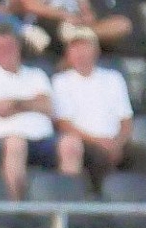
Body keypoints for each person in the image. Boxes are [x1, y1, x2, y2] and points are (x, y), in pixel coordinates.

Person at [0, 28, 80, 200]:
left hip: (42, 140)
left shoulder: (37, 74)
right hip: (0, 142)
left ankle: (69, 207)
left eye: (9, 46)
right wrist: (32, 102)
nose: (4, 51)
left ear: (18, 46)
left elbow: (48, 107)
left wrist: (15, 103)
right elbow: (2, 109)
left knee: (71, 144)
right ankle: (16, 207)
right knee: (16, 143)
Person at [52, 28, 134, 182]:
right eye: (75, 48)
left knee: (144, 157)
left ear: (96, 51)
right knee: (99, 156)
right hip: (86, 142)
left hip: (115, 141)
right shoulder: (60, 81)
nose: (80, 53)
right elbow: (63, 124)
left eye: (85, 47)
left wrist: (118, 143)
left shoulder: (114, 78)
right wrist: (99, 142)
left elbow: (126, 120)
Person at [14, 0, 133, 47]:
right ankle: (79, 37)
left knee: (123, 24)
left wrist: (87, 15)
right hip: (47, 24)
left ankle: (81, 35)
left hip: (77, 25)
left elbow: (86, 10)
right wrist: (65, 15)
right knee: (66, 28)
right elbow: (31, 5)